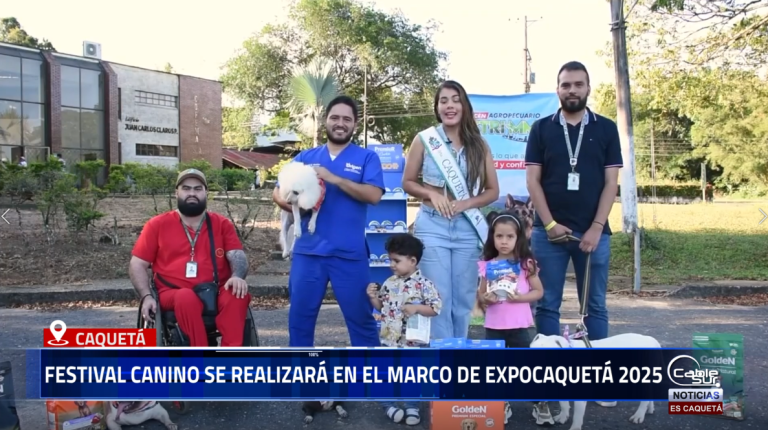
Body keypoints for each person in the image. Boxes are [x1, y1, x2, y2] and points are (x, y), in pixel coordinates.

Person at [524, 61, 622, 409]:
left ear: (588, 88)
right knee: (546, 304)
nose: (572, 90)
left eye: (578, 84)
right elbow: (533, 181)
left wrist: (596, 227)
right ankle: (551, 381)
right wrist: (549, 224)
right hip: (548, 235)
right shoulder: (541, 129)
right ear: (558, 90)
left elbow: (611, 183)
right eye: (566, 85)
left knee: (594, 306)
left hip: (593, 235)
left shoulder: (606, 128)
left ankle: (596, 382)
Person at [272, 95, 385, 347]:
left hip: (349, 254)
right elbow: (278, 192)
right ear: (326, 120)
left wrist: (334, 178)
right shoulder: (305, 157)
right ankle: (302, 371)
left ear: (355, 124)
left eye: (346, 119)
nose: (340, 123)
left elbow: (374, 195)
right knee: (299, 322)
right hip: (309, 253)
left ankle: (370, 372)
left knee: (362, 322)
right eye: (335, 117)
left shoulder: (366, 158)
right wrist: (297, 206)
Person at [402, 80, 499, 340]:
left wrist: (466, 203)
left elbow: (492, 191)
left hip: (467, 229)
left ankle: (459, 352)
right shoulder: (425, 140)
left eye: (455, 100)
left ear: (464, 106)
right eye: (443, 101)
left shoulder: (479, 145)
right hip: (432, 226)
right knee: (438, 298)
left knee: (464, 300)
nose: (449, 106)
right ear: (437, 108)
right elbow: (407, 182)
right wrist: (431, 194)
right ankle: (443, 356)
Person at [129, 168, 252, 347]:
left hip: (215, 290)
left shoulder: (221, 224)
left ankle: (229, 355)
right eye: (186, 188)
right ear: (176, 193)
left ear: (206, 193)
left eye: (198, 189)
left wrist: (237, 276)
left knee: (237, 294)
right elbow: (137, 264)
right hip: (172, 292)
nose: (192, 193)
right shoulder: (157, 225)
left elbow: (237, 256)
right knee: (186, 297)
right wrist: (146, 296)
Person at [476, 211, 546, 425]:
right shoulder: (487, 264)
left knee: (525, 367)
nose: (504, 241)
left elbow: (539, 291)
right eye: (499, 236)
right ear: (492, 237)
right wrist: (486, 299)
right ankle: (501, 402)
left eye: (509, 236)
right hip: (494, 326)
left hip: (519, 325)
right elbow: (481, 294)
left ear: (518, 238)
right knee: (495, 368)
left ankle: (539, 402)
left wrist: (521, 298)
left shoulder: (526, 264)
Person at [366, 233, 441, 426]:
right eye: (390, 259)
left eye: (396, 260)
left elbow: (435, 308)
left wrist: (417, 308)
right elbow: (382, 307)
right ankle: (389, 406)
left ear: (413, 261)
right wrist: (373, 297)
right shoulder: (389, 283)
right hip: (388, 341)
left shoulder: (425, 285)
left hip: (413, 343)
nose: (391, 264)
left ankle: (411, 407)